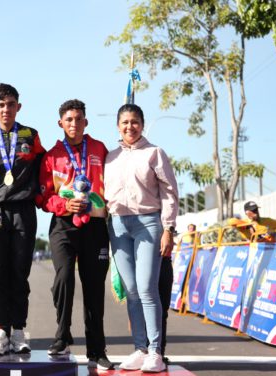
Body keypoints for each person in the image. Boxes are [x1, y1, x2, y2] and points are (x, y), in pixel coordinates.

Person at [38, 99, 113, 370]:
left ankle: (96, 349)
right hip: (63, 225)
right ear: (61, 123)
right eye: (69, 119)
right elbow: (43, 196)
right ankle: (62, 335)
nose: (74, 123)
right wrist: (63, 204)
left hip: (94, 226)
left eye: (78, 119)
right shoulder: (51, 156)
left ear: (86, 122)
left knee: (94, 287)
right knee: (64, 277)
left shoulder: (100, 149)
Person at [105, 104, 178, 373]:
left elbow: (170, 193)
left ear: (142, 124)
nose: (129, 127)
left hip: (148, 224)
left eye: (134, 122)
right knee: (132, 291)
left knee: (148, 289)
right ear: (118, 126)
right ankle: (140, 348)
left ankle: (156, 351)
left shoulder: (155, 153)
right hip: (117, 225)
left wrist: (168, 228)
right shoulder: (110, 157)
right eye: (124, 122)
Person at [0, 83, 46, 355]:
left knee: (20, 272)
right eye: (1, 105)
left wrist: (42, 198)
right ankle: (0, 331)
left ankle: (18, 330)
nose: (6, 109)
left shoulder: (31, 135)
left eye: (11, 104)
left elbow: (44, 169)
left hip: (24, 211)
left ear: (19, 106)